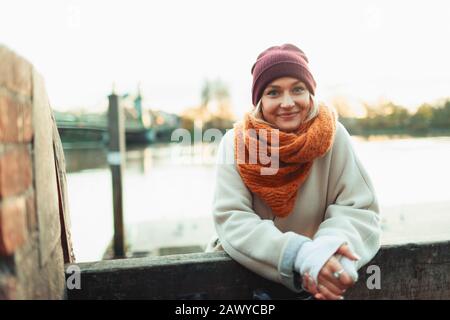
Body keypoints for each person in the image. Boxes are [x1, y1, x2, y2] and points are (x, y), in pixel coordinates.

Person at [205, 43, 381, 300]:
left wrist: (329, 252)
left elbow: (357, 209)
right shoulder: (236, 143)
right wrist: (298, 254)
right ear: (260, 101)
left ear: (310, 93)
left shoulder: (334, 137)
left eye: (297, 89)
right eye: (273, 92)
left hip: (316, 282)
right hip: (243, 281)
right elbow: (232, 218)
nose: (287, 103)